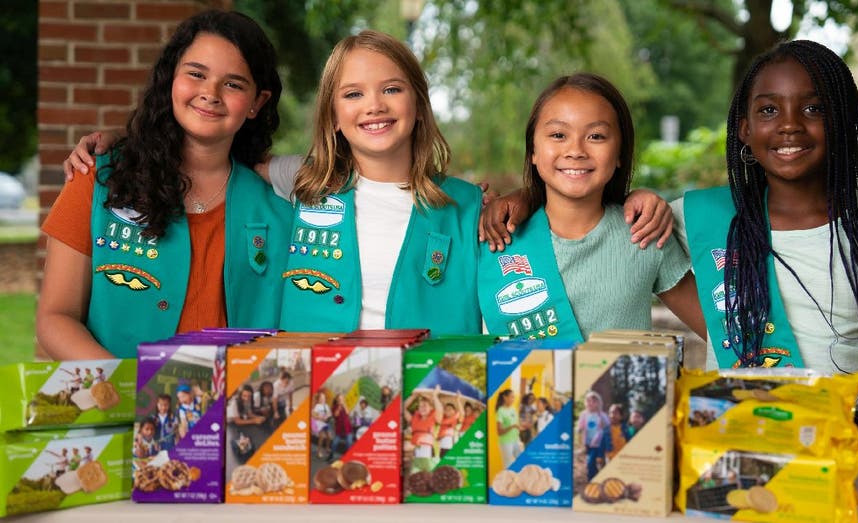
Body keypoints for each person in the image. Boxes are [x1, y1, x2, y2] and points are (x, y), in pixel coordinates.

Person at [65, 32, 673, 337]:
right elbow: (203, 149)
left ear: (417, 101)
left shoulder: (469, 207)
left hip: (431, 422)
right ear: (332, 112)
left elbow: (548, 208)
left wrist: (616, 197)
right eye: (352, 94)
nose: (372, 107)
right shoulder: (292, 185)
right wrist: (123, 141)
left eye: (391, 88)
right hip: (308, 412)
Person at [669, 40, 858, 455]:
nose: (790, 125)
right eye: (769, 109)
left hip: (839, 456)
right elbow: (601, 225)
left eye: (814, 109)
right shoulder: (699, 217)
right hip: (729, 448)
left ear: (844, 122)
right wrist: (525, 201)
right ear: (744, 129)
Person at [37, 9, 291, 359]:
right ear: (171, 78)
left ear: (256, 103)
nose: (210, 92)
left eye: (233, 84)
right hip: (118, 405)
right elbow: (55, 318)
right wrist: (131, 390)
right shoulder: (98, 177)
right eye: (196, 74)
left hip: (234, 408)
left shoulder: (281, 208)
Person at [476, 73, 706, 342]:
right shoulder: (495, 235)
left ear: (620, 152)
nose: (576, 150)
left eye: (596, 136)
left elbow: (722, 334)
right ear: (533, 152)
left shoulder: (644, 233)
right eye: (558, 134)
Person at [577, 390, 610, 481]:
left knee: (592, 462)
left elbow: (607, 426)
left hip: (599, 443)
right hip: (588, 443)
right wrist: (579, 430)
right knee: (590, 462)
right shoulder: (584, 414)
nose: (591, 403)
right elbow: (581, 426)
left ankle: (593, 480)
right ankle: (596, 478)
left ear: (598, 403)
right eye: (588, 401)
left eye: (594, 401)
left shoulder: (601, 414)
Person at [404, 386, 443, 459]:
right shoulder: (414, 419)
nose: (422, 408)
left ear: (431, 408)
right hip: (415, 448)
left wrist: (435, 396)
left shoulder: (435, 417)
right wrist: (413, 396)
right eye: (420, 406)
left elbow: (440, 410)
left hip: (427, 448)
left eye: (425, 406)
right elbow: (403, 408)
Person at [495, 389, 522, 468]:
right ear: (505, 397)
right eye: (511, 397)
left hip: (515, 440)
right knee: (508, 465)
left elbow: (516, 424)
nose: (513, 399)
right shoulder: (500, 411)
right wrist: (512, 426)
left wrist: (520, 427)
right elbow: (499, 432)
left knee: (521, 461)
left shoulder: (513, 409)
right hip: (506, 442)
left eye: (514, 397)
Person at [437, 393, 464, 458]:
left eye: (450, 409)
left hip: (451, 446)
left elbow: (462, 413)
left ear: (454, 411)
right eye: (446, 409)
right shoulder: (442, 418)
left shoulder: (456, 419)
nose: (447, 410)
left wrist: (458, 400)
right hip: (441, 447)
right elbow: (439, 409)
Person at [311, 391, 333, 459]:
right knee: (322, 437)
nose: (323, 399)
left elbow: (330, 413)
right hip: (320, 423)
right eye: (321, 397)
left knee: (329, 437)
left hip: (326, 422)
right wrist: (319, 417)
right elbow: (313, 415)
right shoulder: (317, 406)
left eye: (324, 397)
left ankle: (327, 448)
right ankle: (318, 452)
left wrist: (327, 416)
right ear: (319, 399)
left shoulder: (326, 405)